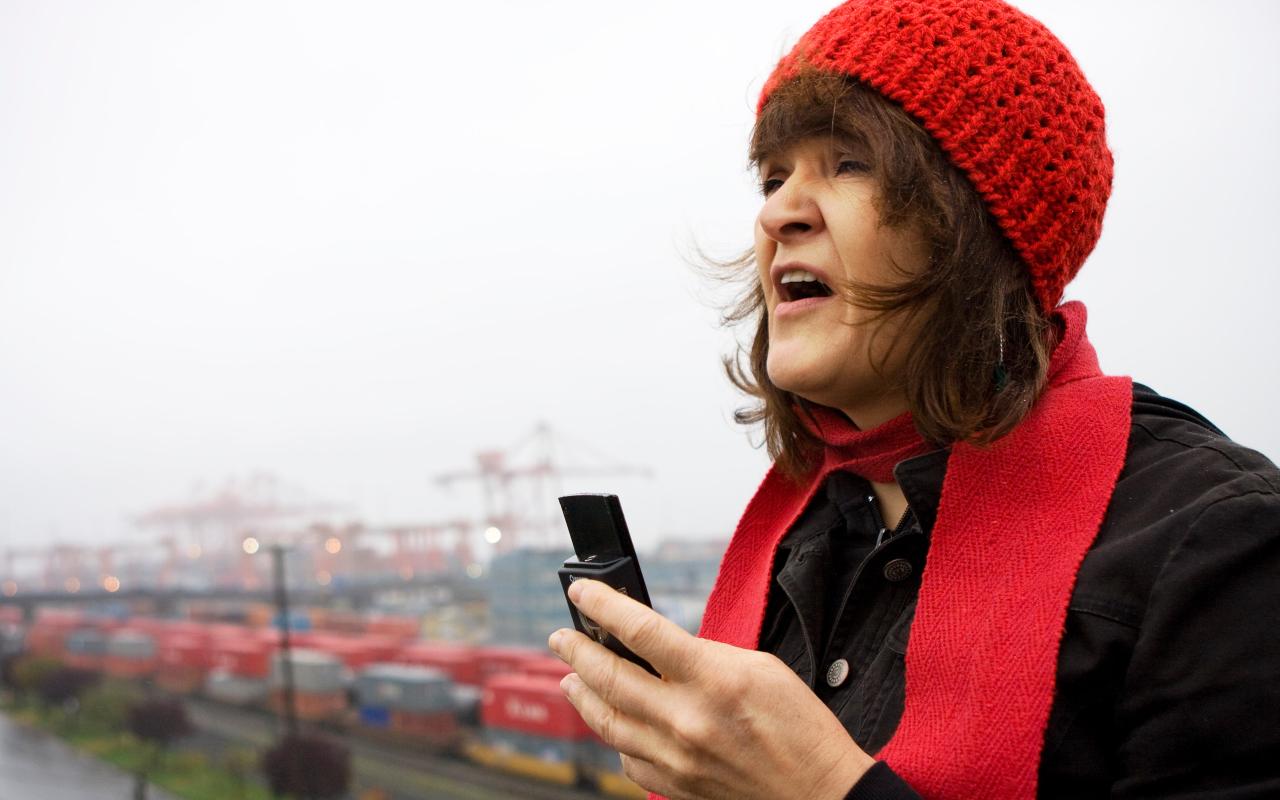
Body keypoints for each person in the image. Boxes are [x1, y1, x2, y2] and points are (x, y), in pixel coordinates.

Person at [547, 1, 1280, 798]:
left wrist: (827, 788)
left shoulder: (1217, 542)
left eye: (850, 162)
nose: (776, 212)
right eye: (772, 176)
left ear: (977, 223)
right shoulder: (810, 535)